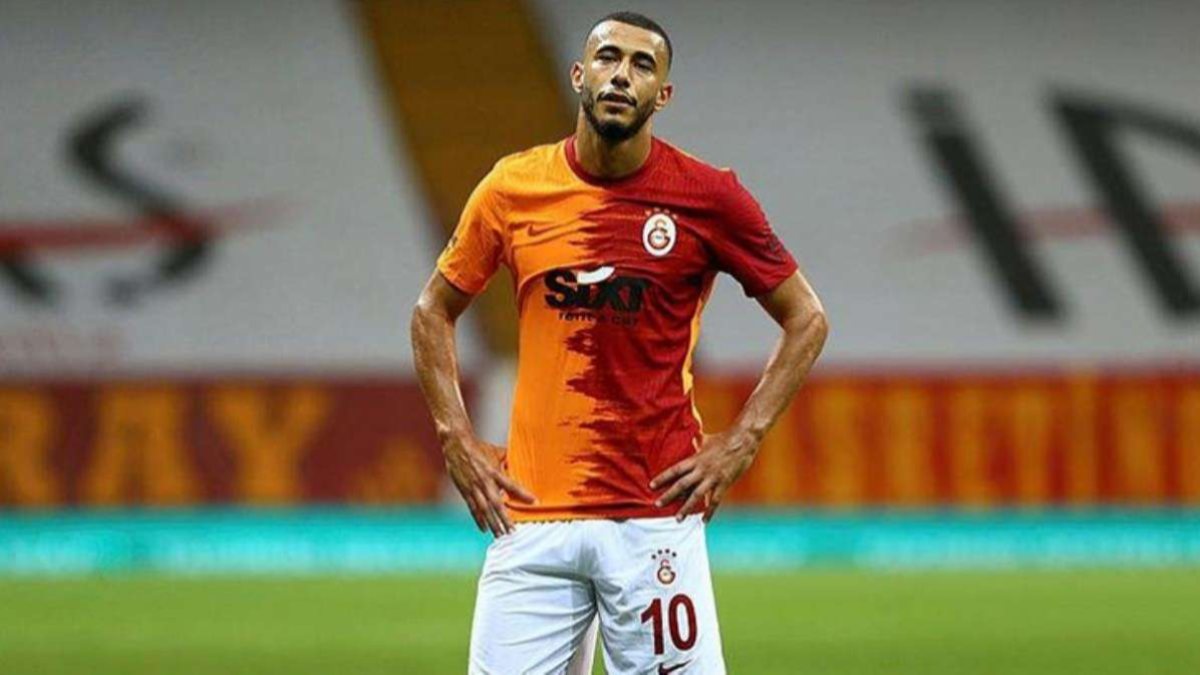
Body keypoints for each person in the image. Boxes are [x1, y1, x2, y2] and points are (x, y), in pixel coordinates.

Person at [411, 11, 828, 674]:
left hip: (653, 517)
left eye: (642, 65)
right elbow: (432, 310)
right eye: (608, 58)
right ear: (580, 75)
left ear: (663, 94)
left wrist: (743, 439)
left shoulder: (709, 196)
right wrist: (455, 437)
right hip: (532, 518)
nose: (621, 76)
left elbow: (806, 317)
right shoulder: (514, 187)